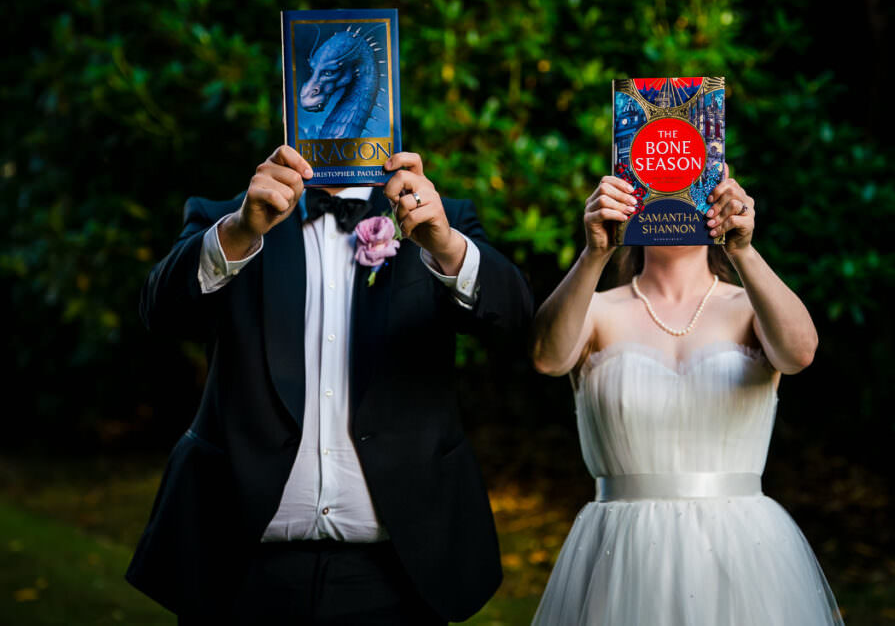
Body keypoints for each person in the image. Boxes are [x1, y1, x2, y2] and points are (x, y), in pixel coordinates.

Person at [125, 146, 533, 625]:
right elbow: (160, 314)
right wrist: (238, 233)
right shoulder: (231, 218)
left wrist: (446, 246)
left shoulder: (437, 218)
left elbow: (515, 320)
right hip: (238, 567)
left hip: (402, 571)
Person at [529, 169, 843, 624]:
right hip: (622, 555)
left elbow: (799, 354)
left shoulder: (750, 309)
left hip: (743, 551)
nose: (674, 199)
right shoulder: (595, 309)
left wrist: (742, 250)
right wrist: (595, 253)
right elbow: (548, 358)